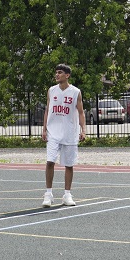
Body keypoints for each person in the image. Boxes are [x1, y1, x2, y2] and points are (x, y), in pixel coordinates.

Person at [41, 63, 85, 207]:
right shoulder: (51, 90)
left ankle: (67, 195)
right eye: (56, 72)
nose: (57, 75)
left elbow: (81, 112)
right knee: (50, 161)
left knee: (69, 164)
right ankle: (48, 194)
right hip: (53, 132)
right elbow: (47, 110)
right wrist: (44, 129)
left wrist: (83, 130)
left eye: (60, 72)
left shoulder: (75, 92)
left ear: (67, 75)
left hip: (70, 133)